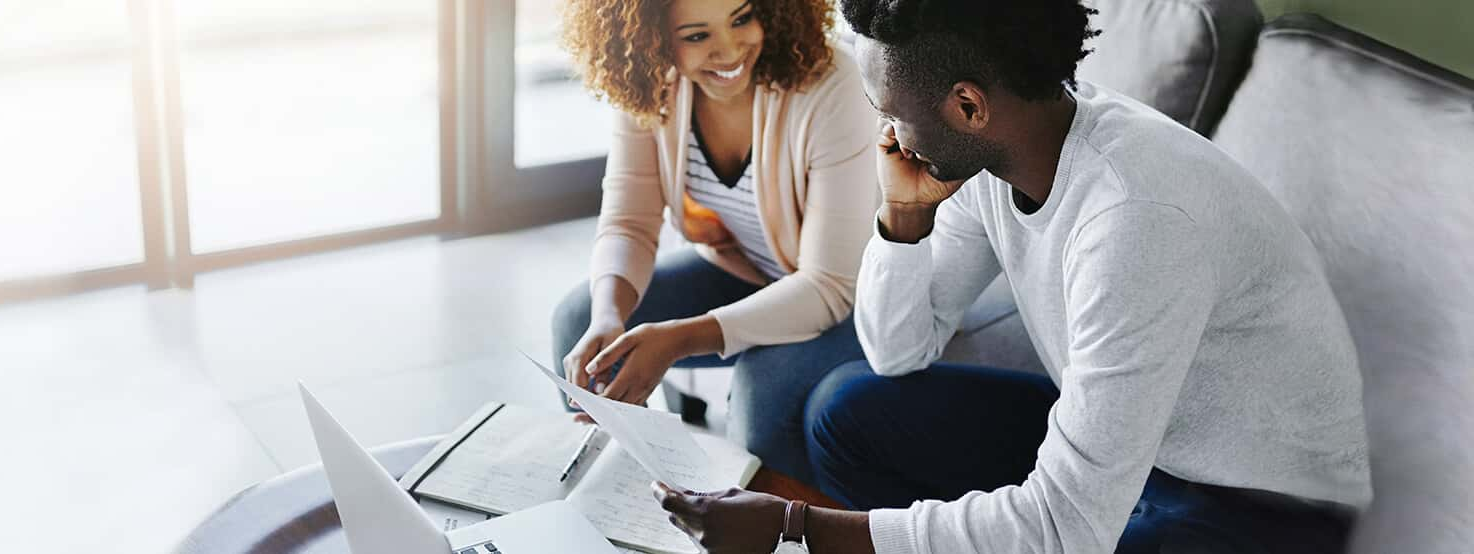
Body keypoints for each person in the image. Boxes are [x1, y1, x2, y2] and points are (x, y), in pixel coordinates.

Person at [655, 0, 1371, 552]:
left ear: (967, 106)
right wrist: (902, 220)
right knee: (848, 411)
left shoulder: (1134, 217)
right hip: (1143, 451)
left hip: (1255, 506)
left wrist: (794, 525)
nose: (885, 137)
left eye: (890, 113)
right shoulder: (1003, 151)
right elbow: (898, 350)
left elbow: (1067, 527)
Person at [548, 0, 879, 485]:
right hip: (753, 271)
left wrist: (679, 338)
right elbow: (628, 223)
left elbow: (829, 285)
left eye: (742, 18)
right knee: (579, 317)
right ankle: (615, 501)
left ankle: (759, 529)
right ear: (652, 39)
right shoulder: (651, 85)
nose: (729, 50)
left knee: (761, 389)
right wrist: (608, 315)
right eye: (697, 36)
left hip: (858, 298)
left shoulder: (833, 84)